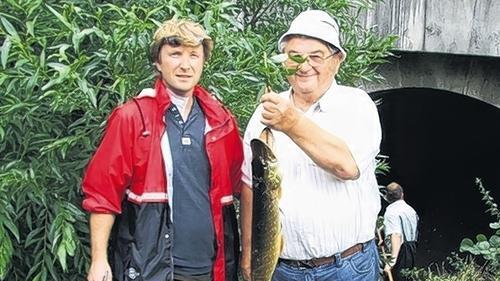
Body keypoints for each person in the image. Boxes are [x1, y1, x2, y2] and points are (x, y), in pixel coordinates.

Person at [82, 18, 243, 281]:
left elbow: (244, 187)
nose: (185, 65)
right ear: (158, 61)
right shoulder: (132, 117)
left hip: (212, 268)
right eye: (175, 54)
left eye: (194, 55)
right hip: (149, 267)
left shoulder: (221, 121)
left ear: (203, 61)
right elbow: (102, 194)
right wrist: (99, 260)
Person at [240, 9, 382, 281]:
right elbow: (250, 185)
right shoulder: (265, 112)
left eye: (316, 56)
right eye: (295, 56)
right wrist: (249, 254)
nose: (304, 66)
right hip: (281, 269)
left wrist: (291, 122)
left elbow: (346, 167)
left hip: (347, 268)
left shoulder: (357, 104)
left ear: (337, 60)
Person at [383, 182, 419, 281]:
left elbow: (396, 235)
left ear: (387, 197)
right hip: (412, 248)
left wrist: (392, 261)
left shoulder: (391, 212)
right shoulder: (411, 210)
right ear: (402, 194)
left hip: (399, 251)